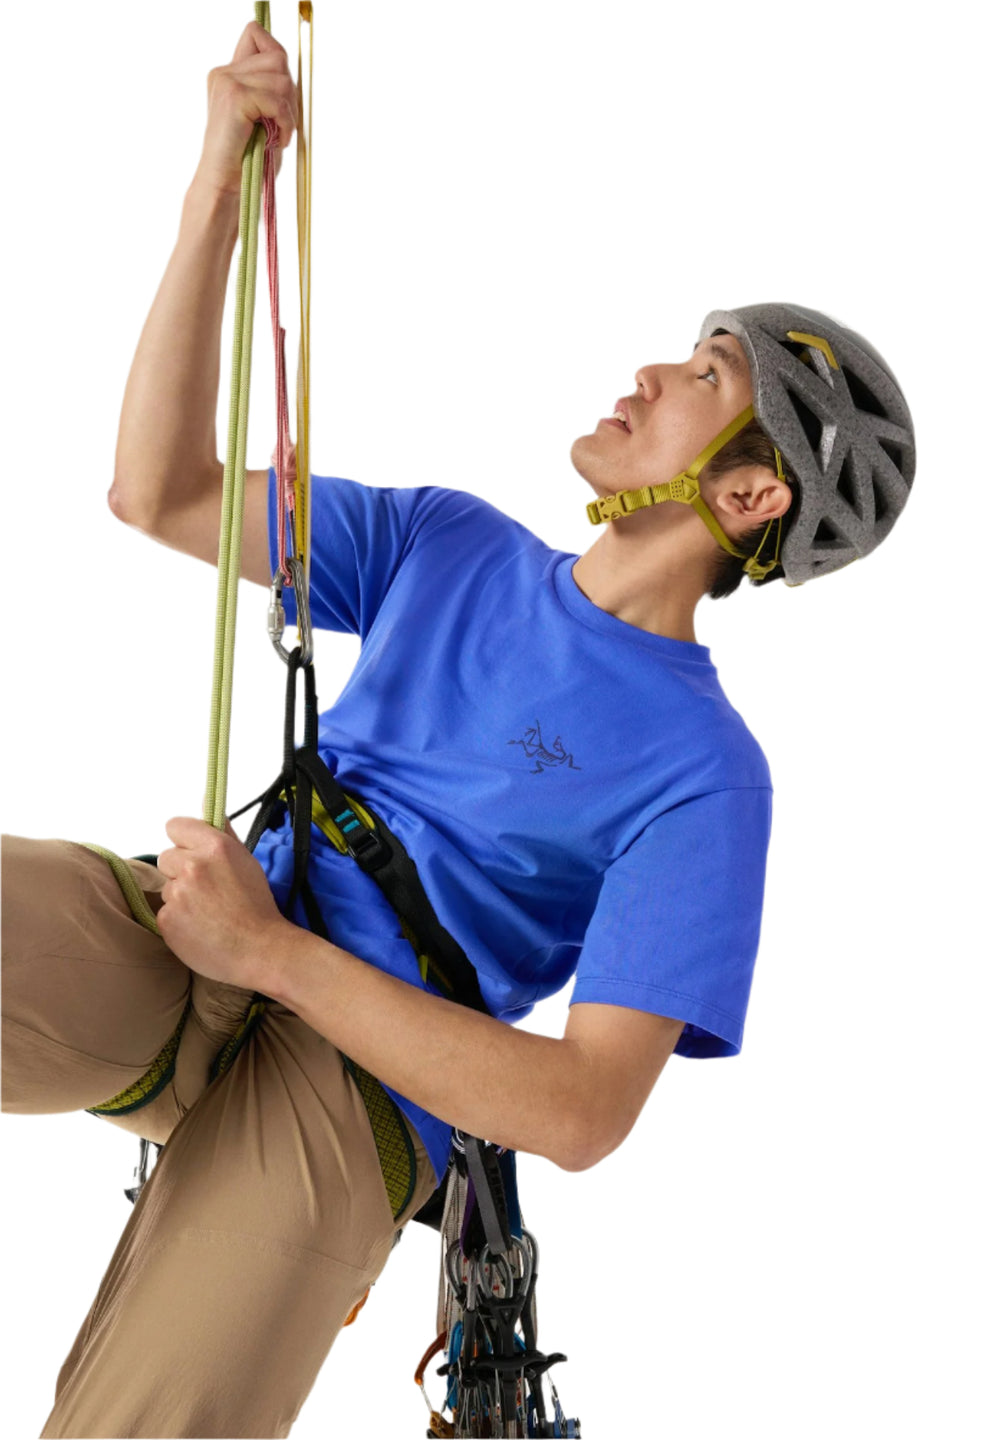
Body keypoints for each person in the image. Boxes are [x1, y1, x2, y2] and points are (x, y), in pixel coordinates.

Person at [0, 20, 915, 1439]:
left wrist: (273, 955)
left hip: (349, 1094)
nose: (653, 373)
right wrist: (219, 186)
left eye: (706, 378)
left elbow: (581, 1111)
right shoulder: (450, 543)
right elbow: (159, 490)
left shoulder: (706, 777)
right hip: (191, 942)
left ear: (750, 498)